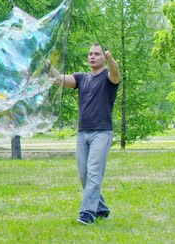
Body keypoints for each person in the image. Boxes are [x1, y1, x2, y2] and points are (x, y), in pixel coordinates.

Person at [53, 43, 120, 225]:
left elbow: (116, 74)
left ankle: (87, 214)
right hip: (83, 133)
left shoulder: (108, 78)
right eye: (90, 54)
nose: (92, 57)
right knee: (84, 175)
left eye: (96, 54)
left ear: (103, 58)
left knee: (94, 174)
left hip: (102, 133)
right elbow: (60, 79)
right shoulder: (82, 78)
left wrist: (111, 60)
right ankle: (102, 209)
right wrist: (46, 67)